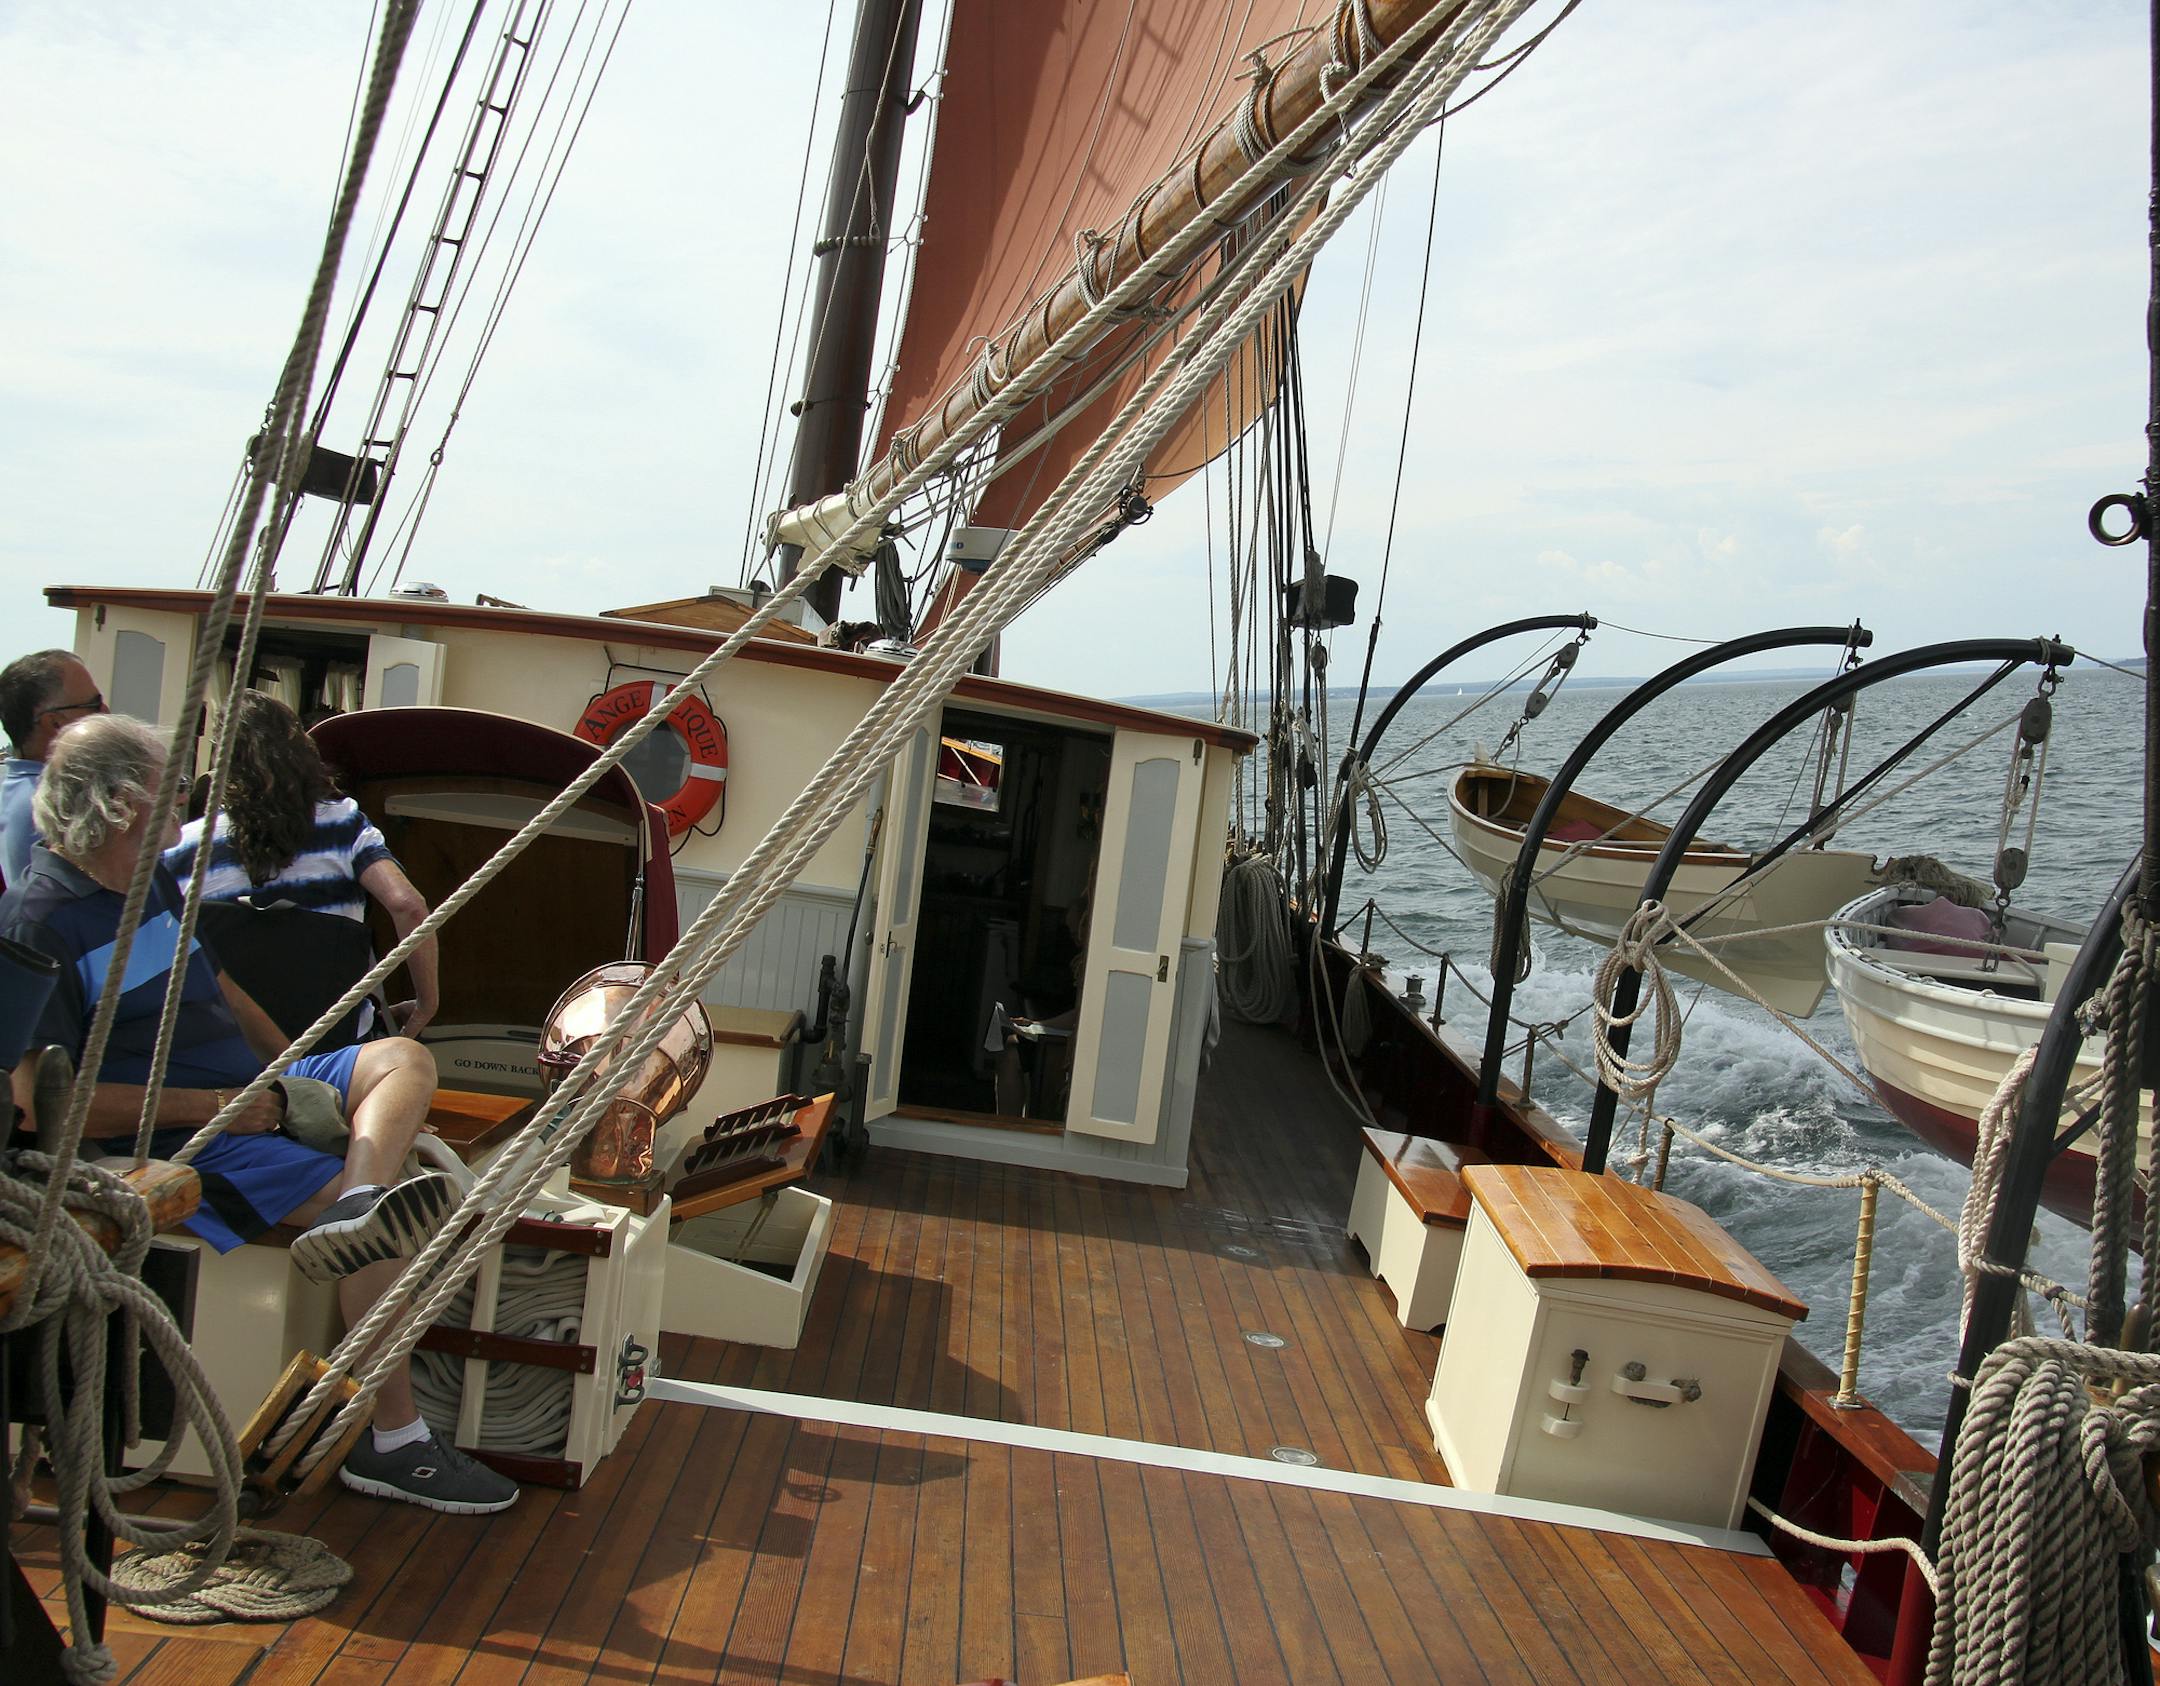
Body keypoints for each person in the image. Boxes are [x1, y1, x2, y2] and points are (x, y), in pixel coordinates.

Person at [0, 714, 515, 1515]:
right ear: (120, 805)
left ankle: (355, 1200)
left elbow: (222, 992)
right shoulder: (42, 922)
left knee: (403, 1061)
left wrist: (289, 1077)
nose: (183, 811)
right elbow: (48, 1113)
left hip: (250, 1098)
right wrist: (221, 1110)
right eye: (170, 795)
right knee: (386, 1247)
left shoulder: (150, 883)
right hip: (188, 1141)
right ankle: (395, 1440)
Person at [166, 690, 439, 1040]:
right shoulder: (344, 825)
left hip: (225, 1046)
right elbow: (409, 906)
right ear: (301, 752)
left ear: (220, 762)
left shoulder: (184, 848)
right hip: (331, 1046)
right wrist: (425, 1005)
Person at [0, 649, 105, 884]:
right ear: (55, 723)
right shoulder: (53, 805)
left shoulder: (20, 792)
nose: (106, 711)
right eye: (94, 704)